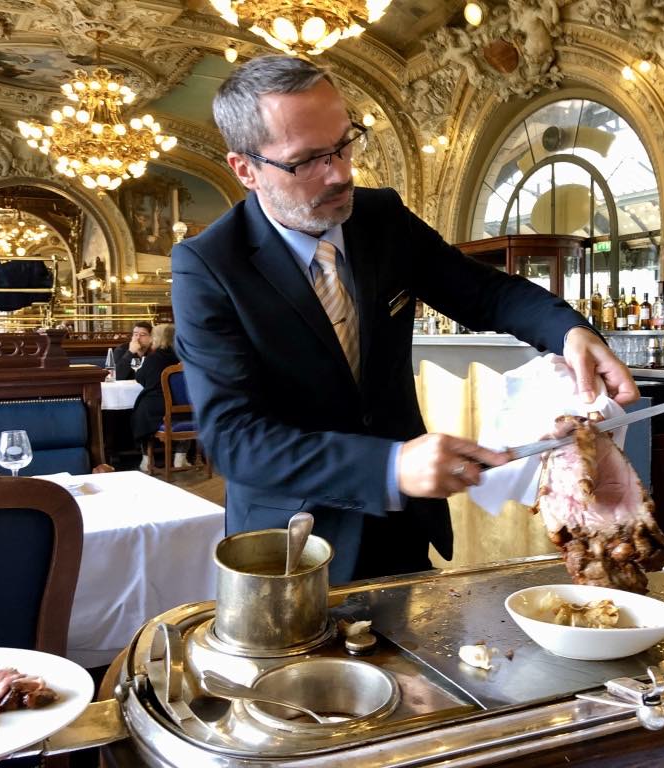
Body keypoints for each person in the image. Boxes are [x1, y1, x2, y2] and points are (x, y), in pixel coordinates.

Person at [170, 55, 637, 584]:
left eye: (344, 144)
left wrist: (570, 331)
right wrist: (389, 466)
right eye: (308, 161)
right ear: (245, 169)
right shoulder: (209, 265)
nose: (340, 173)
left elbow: (484, 291)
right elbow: (234, 438)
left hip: (402, 528)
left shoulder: (381, 217)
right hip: (293, 543)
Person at [131, 323, 185, 472]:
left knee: (140, 413)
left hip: (157, 409)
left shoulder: (153, 358)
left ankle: (147, 460)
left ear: (157, 338)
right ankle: (181, 457)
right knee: (186, 415)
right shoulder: (184, 357)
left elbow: (140, 377)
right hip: (183, 408)